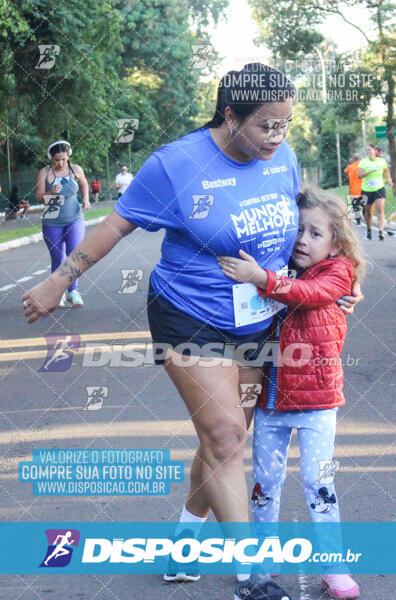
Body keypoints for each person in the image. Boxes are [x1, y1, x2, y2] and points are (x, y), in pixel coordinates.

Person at [22, 64, 362, 600]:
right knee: (226, 436)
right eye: (266, 126)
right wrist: (57, 281)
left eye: (286, 125)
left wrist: (334, 277)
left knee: (224, 438)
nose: (278, 137)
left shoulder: (284, 160)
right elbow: (114, 224)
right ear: (230, 115)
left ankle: (185, 536)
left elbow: (299, 232)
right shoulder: (176, 165)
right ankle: (253, 578)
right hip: (187, 313)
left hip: (258, 316)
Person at [218, 185, 364, 600]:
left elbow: (309, 295)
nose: (302, 239)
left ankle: (334, 569)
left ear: (337, 243)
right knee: (265, 485)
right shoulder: (282, 265)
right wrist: (264, 273)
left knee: (320, 486)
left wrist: (261, 279)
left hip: (318, 404)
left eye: (315, 233)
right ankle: (262, 564)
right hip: (271, 403)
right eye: (298, 230)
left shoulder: (337, 273)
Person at [35, 140, 90, 307]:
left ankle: (73, 291)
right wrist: (50, 192)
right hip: (52, 219)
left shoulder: (76, 170)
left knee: (74, 255)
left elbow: (84, 184)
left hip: (74, 217)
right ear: (51, 159)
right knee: (58, 257)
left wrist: (86, 200)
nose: (60, 163)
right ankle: (57, 293)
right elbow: (38, 197)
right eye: (56, 160)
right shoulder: (45, 172)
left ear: (68, 157)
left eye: (63, 159)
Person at [357, 144, 393, 240]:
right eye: (367, 151)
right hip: (366, 190)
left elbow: (386, 171)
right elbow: (359, 175)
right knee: (368, 212)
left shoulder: (382, 161)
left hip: (379, 188)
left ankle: (381, 232)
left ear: (375, 150)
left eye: (370, 150)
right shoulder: (363, 162)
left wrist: (389, 179)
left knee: (380, 209)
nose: (368, 152)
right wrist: (369, 172)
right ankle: (368, 231)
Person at [344, 154, 363, 225]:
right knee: (364, 205)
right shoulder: (362, 166)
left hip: (354, 190)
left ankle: (358, 221)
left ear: (353, 160)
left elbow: (345, 172)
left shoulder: (350, 167)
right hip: (363, 189)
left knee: (355, 206)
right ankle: (366, 218)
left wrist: (349, 164)